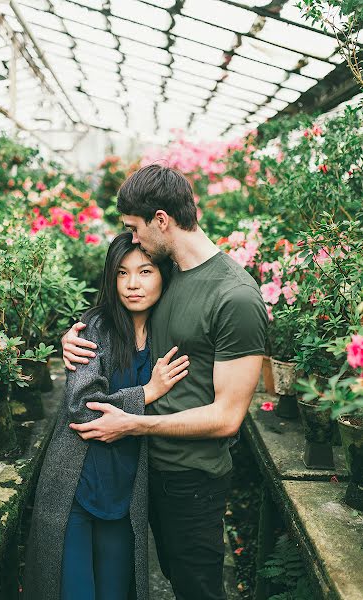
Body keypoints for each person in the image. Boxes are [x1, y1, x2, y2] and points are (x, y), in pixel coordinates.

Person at [62, 164, 268, 600]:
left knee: (198, 589)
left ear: (161, 220)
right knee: (169, 578)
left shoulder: (236, 296)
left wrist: (134, 422)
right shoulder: (171, 274)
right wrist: (75, 338)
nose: (133, 240)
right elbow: (124, 318)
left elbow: (228, 417)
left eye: (134, 229)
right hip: (146, 472)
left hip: (192, 479)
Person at [24, 232, 190, 600]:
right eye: (121, 273)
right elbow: (84, 407)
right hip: (78, 486)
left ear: (163, 274)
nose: (132, 284)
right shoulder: (95, 327)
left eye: (145, 271)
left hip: (126, 494)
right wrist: (147, 392)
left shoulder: (170, 331)